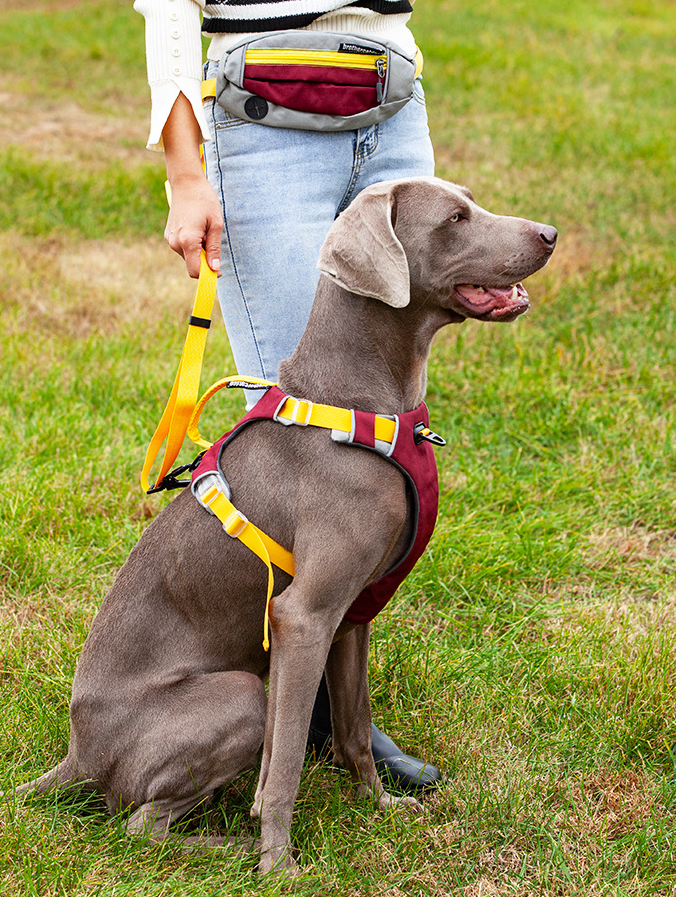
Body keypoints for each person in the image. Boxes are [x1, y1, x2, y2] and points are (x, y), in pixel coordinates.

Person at [134, 0, 441, 793]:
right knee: (310, 427)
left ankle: (335, 708)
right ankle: (299, 701)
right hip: (265, 116)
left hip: (392, 101)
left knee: (379, 412)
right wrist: (185, 174)